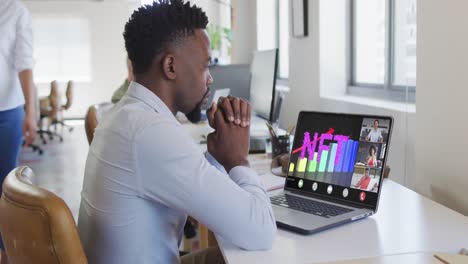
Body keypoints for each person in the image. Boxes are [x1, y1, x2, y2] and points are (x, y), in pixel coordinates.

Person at [77, 1, 276, 263]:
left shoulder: (126, 115)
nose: (210, 79)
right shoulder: (150, 132)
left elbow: (190, 182)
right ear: (170, 66)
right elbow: (261, 232)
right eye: (205, 66)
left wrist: (217, 155)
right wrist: (238, 159)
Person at [0, 0, 37, 263]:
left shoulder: (15, 11)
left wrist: (31, 112)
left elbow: (24, 64)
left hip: (7, 112)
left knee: (4, 187)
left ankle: (5, 252)